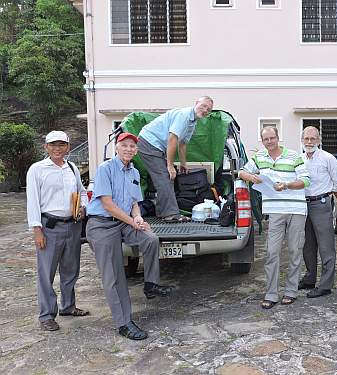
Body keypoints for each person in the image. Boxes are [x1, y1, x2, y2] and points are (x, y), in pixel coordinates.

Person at [86, 132, 172, 340]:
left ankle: (151, 284)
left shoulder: (134, 172)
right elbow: (107, 204)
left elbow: (134, 203)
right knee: (115, 276)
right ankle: (124, 323)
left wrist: (139, 218)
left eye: (132, 146)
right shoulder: (105, 169)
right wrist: (131, 221)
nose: (129, 149)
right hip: (102, 225)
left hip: (125, 222)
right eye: (125, 145)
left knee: (150, 239)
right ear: (117, 147)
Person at [239, 126, 310, 309]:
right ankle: (271, 293)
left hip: (296, 209)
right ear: (262, 141)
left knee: (295, 250)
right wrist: (252, 177)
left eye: (272, 138)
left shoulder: (294, 156)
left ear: (278, 137)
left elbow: (306, 180)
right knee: (272, 252)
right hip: (275, 210)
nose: (269, 142)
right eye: (266, 139)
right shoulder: (259, 157)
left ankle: (291, 291)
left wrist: (286, 185)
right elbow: (241, 172)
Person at [26, 130, 89, 331]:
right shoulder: (37, 169)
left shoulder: (71, 168)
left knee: (71, 270)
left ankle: (68, 306)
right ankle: (46, 315)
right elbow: (32, 201)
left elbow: (81, 191)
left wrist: (83, 207)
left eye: (62, 144)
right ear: (46, 147)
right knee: (47, 274)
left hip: (72, 225)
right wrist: (37, 229)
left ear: (68, 147)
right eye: (53, 144)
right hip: (49, 228)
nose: (57, 148)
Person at [137, 96, 214, 222]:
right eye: (203, 106)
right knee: (165, 176)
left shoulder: (192, 122)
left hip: (156, 146)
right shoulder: (183, 115)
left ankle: (163, 212)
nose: (205, 110)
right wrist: (170, 165)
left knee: (167, 177)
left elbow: (182, 143)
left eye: (209, 109)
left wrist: (183, 164)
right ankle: (170, 214)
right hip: (148, 143)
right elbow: (172, 139)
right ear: (196, 103)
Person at [298, 126, 337, 298]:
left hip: (321, 204)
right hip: (302, 205)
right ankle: (310, 278)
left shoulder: (328, 158)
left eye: (313, 139)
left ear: (319, 140)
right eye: (306, 139)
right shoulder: (299, 159)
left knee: (326, 246)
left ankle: (325, 285)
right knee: (308, 245)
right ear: (302, 140)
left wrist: (327, 195)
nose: (309, 142)